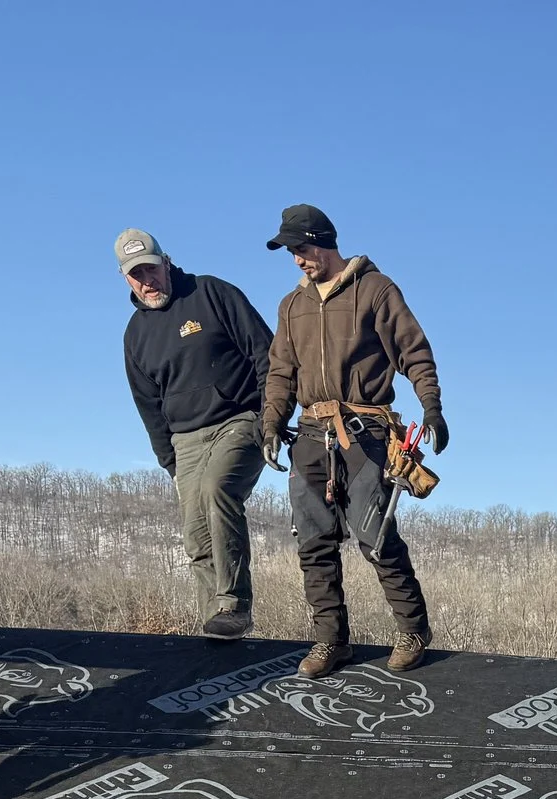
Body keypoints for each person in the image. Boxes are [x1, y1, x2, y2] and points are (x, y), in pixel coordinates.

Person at [257, 205, 445, 679]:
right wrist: (271, 424)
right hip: (310, 434)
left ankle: (412, 630)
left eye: (301, 249)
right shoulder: (291, 306)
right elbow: (280, 372)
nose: (297, 260)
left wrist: (432, 408)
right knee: (314, 544)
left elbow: (414, 351)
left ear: (322, 241)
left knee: (374, 536)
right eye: (291, 253)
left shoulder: (376, 290)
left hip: (366, 433)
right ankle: (330, 641)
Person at [117, 228, 272, 640]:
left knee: (218, 490)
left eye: (151, 268)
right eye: (136, 274)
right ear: (125, 279)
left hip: (239, 418)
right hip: (184, 441)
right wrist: (168, 459)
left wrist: (271, 416)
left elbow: (265, 352)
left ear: (166, 262)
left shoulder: (212, 294)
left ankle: (234, 605)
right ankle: (218, 629)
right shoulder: (135, 334)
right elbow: (147, 404)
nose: (147, 280)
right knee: (196, 532)